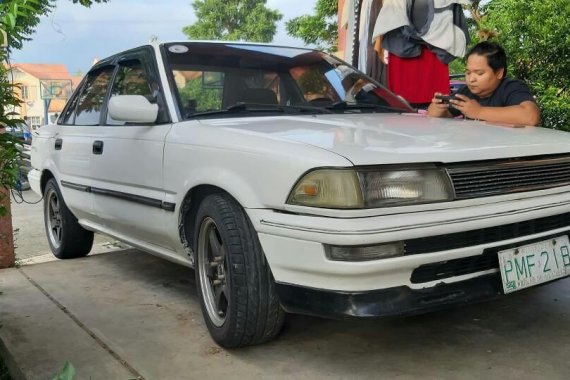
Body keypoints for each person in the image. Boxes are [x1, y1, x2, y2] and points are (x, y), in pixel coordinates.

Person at [427, 41, 541, 126]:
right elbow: (444, 115)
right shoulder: (466, 92)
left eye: (479, 73)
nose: (471, 79)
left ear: (499, 73)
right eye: (468, 72)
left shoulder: (511, 87)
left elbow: (531, 117)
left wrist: (479, 112)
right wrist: (437, 109)